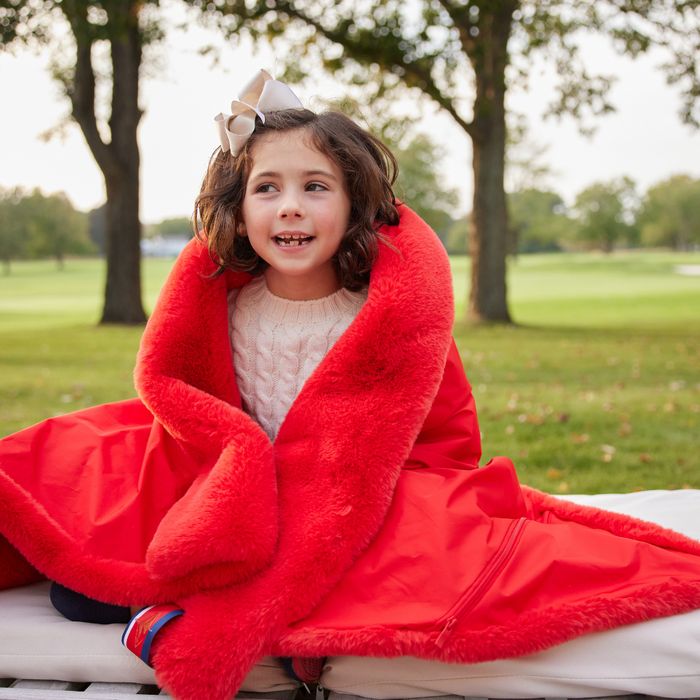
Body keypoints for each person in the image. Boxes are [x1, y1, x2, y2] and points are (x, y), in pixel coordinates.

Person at [1, 70, 700, 700]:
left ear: (355, 204)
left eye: (316, 187)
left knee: (384, 574)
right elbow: (185, 402)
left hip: (340, 502)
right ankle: (165, 609)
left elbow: (444, 436)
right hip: (230, 494)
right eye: (267, 189)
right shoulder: (222, 304)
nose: (291, 208)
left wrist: (398, 502)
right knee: (80, 583)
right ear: (239, 210)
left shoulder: (386, 317)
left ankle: (267, 625)